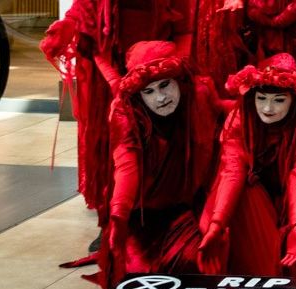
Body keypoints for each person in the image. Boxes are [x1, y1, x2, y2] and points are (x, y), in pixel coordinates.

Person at [40, 0, 195, 265]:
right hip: (112, 79)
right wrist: (116, 82)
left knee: (163, 147)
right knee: (114, 150)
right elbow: (92, 40)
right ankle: (113, 220)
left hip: (162, 73)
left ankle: (166, 217)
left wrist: (171, 68)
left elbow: (184, 29)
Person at [96, 40, 222, 289]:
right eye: (149, 91)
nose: (161, 98)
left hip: (186, 206)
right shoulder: (124, 112)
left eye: (165, 85)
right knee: (138, 280)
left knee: (194, 268)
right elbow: (126, 165)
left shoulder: (200, 94)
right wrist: (119, 217)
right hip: (141, 213)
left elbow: (225, 111)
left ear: (179, 81)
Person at [199, 53, 296, 278]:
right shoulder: (239, 119)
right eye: (261, 99)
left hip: (290, 204)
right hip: (241, 200)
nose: (268, 108)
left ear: (293, 100)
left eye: (278, 100)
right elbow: (232, 171)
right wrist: (217, 224)